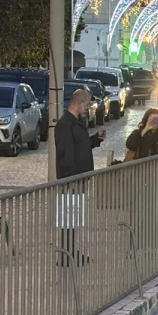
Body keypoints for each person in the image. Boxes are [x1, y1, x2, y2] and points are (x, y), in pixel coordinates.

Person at [54, 88, 105, 266]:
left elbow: (80, 147)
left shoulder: (75, 123)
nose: (88, 108)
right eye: (87, 104)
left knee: (73, 219)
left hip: (78, 179)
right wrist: (71, 179)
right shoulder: (65, 125)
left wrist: (96, 140)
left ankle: (71, 252)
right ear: (79, 103)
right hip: (71, 181)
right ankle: (66, 255)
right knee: (67, 220)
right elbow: (66, 155)